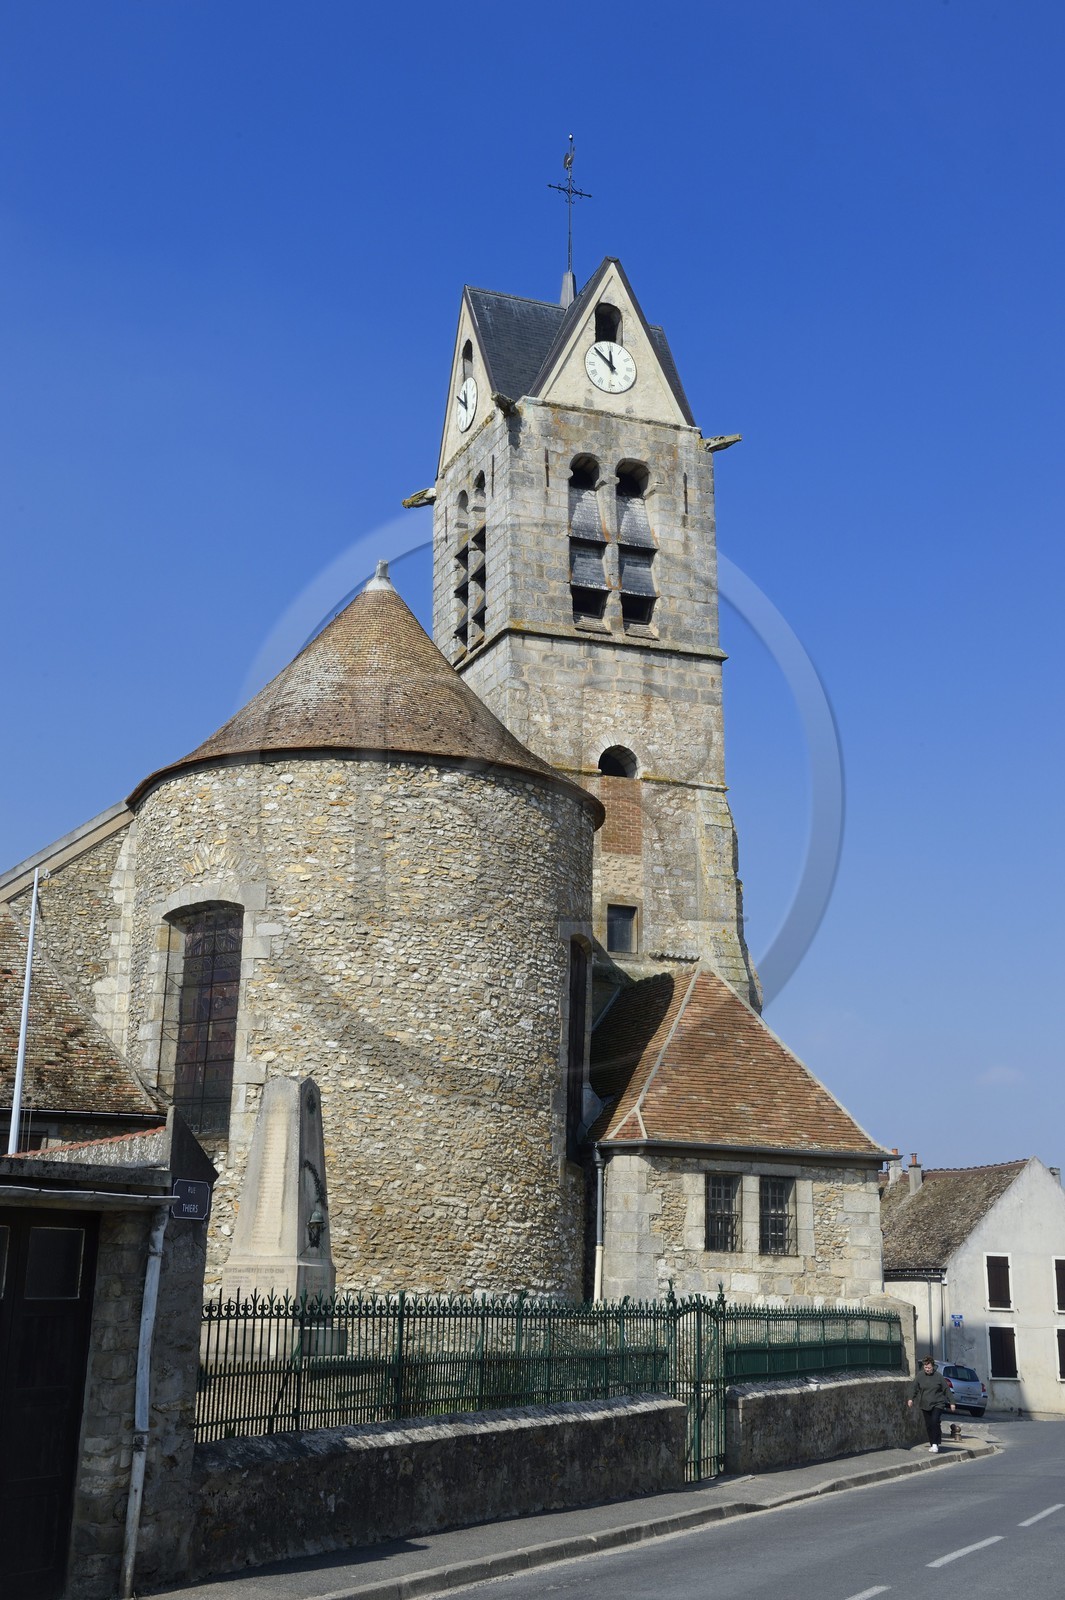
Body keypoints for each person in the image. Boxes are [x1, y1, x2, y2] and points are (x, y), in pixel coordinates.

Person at [907, 1355, 956, 1451]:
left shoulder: (938, 1376)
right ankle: (933, 1443)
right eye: (925, 1367)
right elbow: (914, 1388)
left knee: (934, 1421)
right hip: (925, 1404)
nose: (927, 1369)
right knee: (929, 1425)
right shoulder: (920, 1376)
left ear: (933, 1366)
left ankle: (935, 1444)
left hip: (938, 1403)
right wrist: (910, 1399)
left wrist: (952, 1403)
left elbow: (946, 1389)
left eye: (929, 1367)